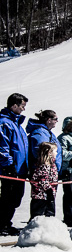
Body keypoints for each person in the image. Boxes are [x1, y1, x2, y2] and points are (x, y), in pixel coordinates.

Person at [0, 93, 29, 235]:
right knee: (8, 197)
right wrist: (7, 165)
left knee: (16, 198)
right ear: (14, 105)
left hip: (20, 169)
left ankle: (6, 222)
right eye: (22, 106)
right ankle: (2, 224)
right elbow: (2, 146)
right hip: (10, 169)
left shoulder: (17, 124)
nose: (24, 109)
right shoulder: (4, 122)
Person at [26, 110, 62, 176]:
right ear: (49, 120)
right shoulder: (40, 133)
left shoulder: (47, 133)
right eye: (55, 119)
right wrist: (47, 167)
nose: (57, 121)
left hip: (49, 170)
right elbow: (41, 151)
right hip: (44, 172)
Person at [29, 142, 58, 219]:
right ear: (49, 153)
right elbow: (42, 179)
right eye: (55, 151)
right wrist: (48, 189)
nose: (57, 153)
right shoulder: (44, 165)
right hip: (41, 196)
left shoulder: (52, 164)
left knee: (49, 214)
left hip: (48, 195)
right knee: (39, 216)